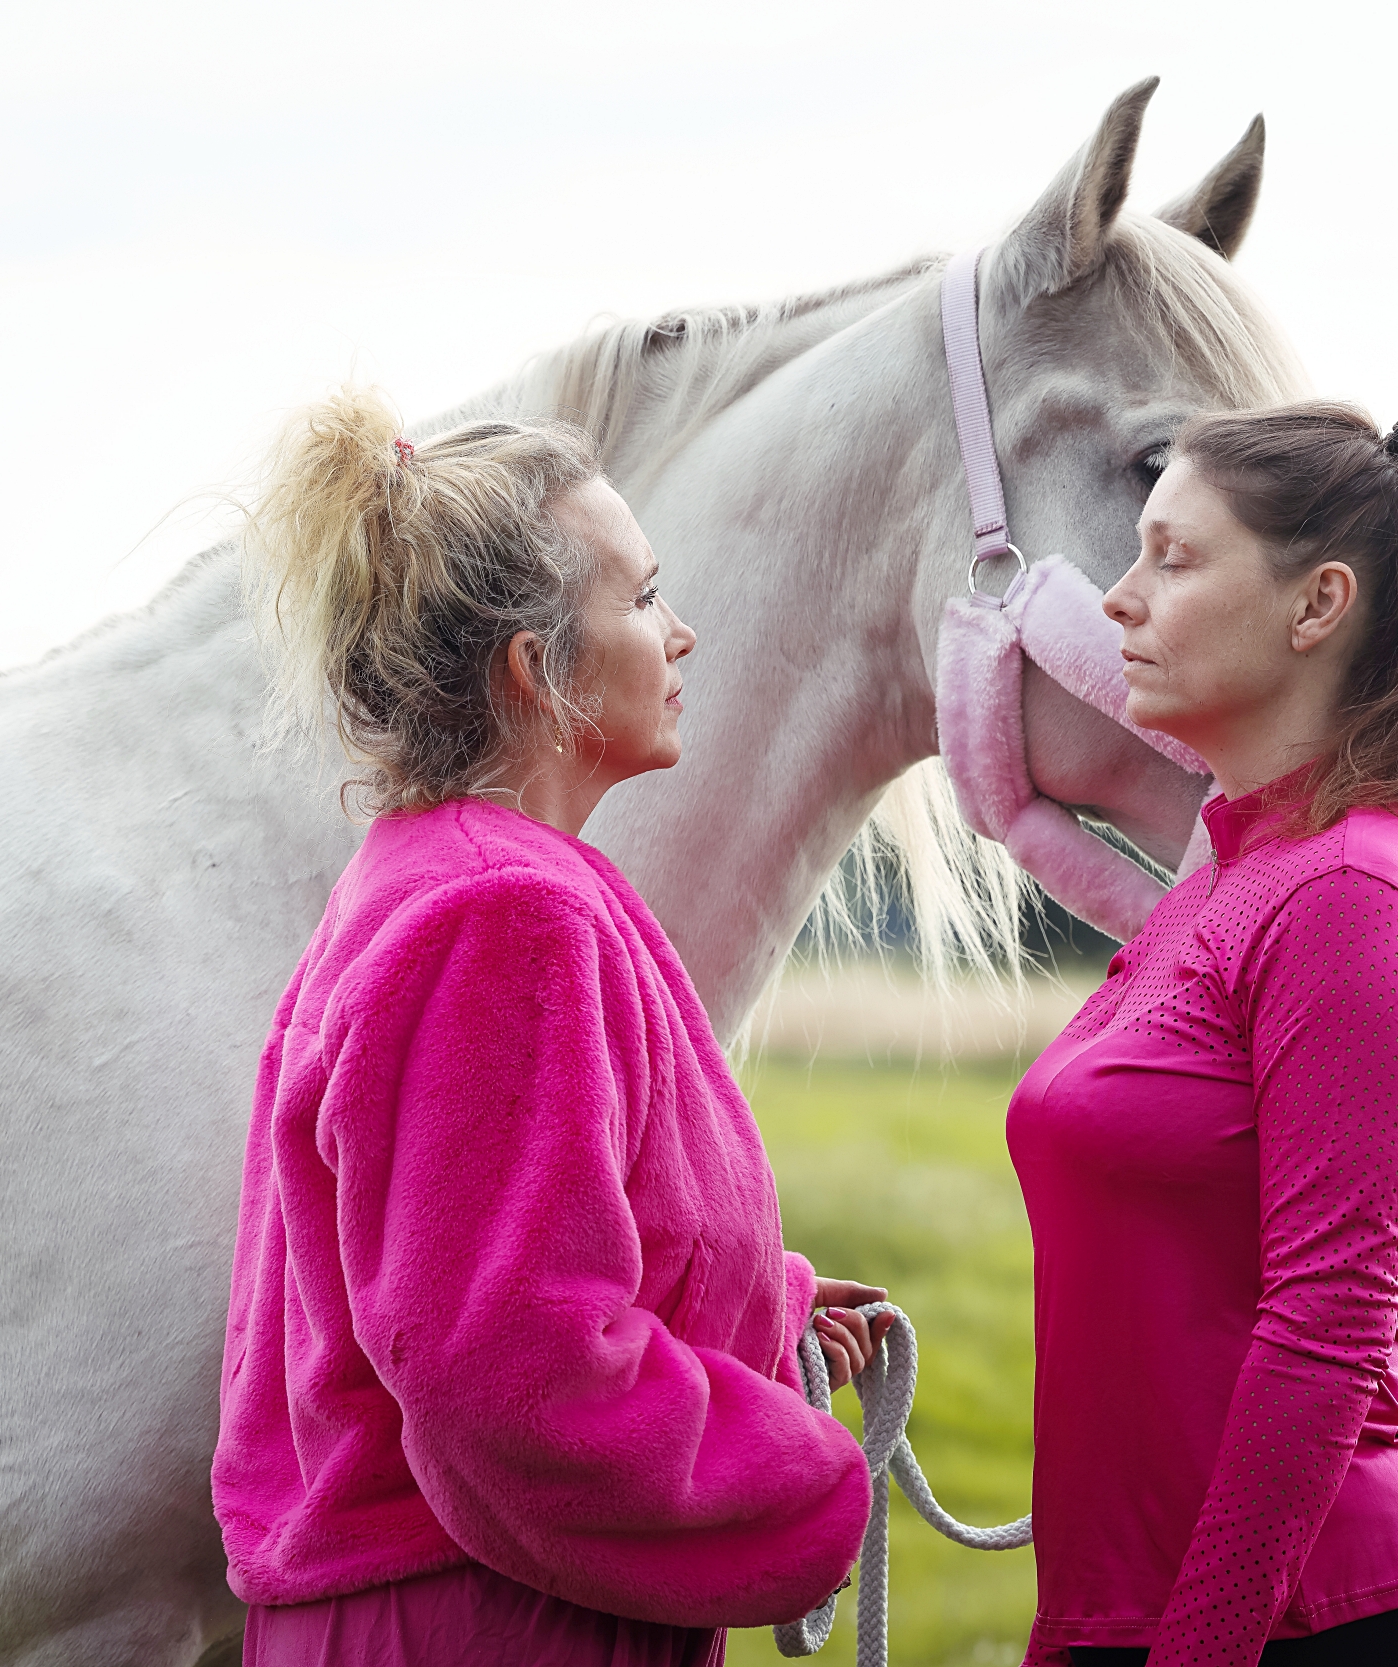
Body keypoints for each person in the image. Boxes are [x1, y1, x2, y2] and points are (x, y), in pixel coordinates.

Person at [213, 391, 890, 1667]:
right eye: (643, 597)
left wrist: (768, 1314)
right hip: (483, 1622)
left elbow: (511, 1255)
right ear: (537, 669)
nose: (681, 632)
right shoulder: (500, 915)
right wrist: (792, 1474)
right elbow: (507, 1363)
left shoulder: (441, 874)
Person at [1008, 404, 1398, 1667]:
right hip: (1140, 1611)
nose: (1117, 597)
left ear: (1317, 605)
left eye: (1174, 557)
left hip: (1296, 1624)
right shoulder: (1230, 875)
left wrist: (1196, 1651)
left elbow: (1330, 1321)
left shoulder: (1358, 893)